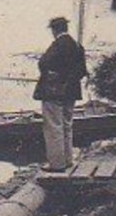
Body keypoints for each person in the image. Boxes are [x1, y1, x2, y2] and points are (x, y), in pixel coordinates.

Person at [34, 16, 88, 171]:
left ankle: (57, 164)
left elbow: (43, 63)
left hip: (54, 92)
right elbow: (82, 71)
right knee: (67, 125)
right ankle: (68, 160)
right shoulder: (77, 45)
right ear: (66, 28)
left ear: (54, 30)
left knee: (53, 127)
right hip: (71, 92)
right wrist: (69, 79)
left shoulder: (58, 45)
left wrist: (55, 77)